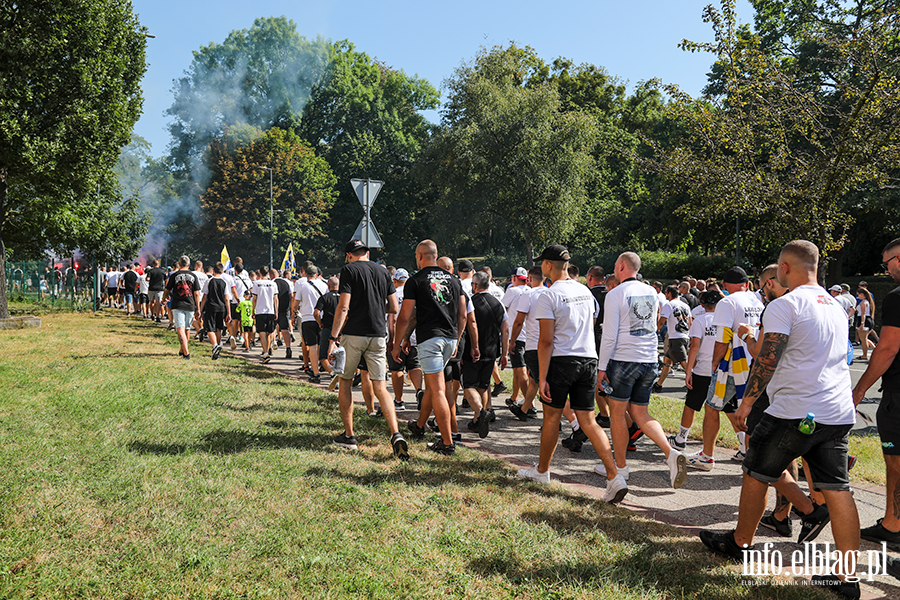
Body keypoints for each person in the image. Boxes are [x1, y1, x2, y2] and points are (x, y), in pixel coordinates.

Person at [700, 240, 860, 599]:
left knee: (756, 472)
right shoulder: (835, 305)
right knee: (837, 489)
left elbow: (767, 358)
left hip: (793, 410)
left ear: (784, 268)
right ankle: (847, 576)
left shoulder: (785, 304)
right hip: (835, 412)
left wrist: (746, 403)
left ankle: (740, 542)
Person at [516, 245, 627, 504]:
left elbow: (545, 342)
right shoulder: (585, 291)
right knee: (589, 420)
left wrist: (542, 377)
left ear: (547, 265)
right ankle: (614, 476)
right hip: (588, 358)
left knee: (552, 418)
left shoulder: (547, 295)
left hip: (561, 361)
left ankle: (542, 471)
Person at [596, 252, 687, 489]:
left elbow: (609, 336)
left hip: (623, 359)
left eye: (616, 265)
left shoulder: (615, 294)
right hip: (648, 359)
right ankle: (670, 453)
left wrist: (601, 367)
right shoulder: (652, 293)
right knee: (641, 413)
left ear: (622, 266)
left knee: (617, 414)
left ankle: (621, 467)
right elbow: (655, 322)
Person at [327, 240, 408, 460]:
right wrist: (374, 308)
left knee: (345, 381)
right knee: (380, 386)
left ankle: (349, 436)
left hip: (354, 333)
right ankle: (396, 433)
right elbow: (393, 307)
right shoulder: (383, 272)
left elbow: (343, 306)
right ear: (368, 253)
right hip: (378, 334)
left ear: (348, 255)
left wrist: (333, 337)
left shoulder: (348, 270)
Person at [395, 240, 474, 456]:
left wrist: (396, 344)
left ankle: (447, 443)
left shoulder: (415, 280)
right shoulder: (454, 280)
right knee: (433, 386)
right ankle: (420, 425)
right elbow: (462, 315)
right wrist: (457, 340)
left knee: (439, 389)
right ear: (435, 255)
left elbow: (405, 316)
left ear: (420, 256)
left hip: (430, 339)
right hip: (449, 339)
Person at [688, 266, 764, 470]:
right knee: (751, 411)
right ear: (746, 284)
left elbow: (722, 339)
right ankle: (750, 455)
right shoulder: (757, 301)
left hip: (732, 364)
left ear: (724, 285)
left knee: (712, 406)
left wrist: (714, 363)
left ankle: (707, 456)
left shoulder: (727, 302)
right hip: (754, 360)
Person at [854, 237, 900, 552]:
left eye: (888, 263)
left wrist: (858, 389)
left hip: (898, 396)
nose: (886, 270)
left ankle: (893, 524)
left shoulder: (897, 298)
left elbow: (886, 348)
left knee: (895, 461)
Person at [666, 290, 721, 452]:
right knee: (728, 409)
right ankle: (743, 445)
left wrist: (689, 371)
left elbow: (694, 347)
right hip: (719, 371)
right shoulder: (725, 321)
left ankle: (681, 438)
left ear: (701, 304)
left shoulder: (700, 320)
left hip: (702, 370)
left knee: (691, 405)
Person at [461, 271, 509, 439]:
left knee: (468, 387)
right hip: (492, 350)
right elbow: (505, 329)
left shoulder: (470, 302)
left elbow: (466, 325)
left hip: (472, 351)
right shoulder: (498, 303)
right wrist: (504, 353)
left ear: (475, 285)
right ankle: (477, 420)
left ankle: (481, 413)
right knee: (484, 385)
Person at [386, 268, 423, 410]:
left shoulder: (392, 295)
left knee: (397, 369)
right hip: (413, 336)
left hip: (398, 336)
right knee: (415, 366)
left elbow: (392, 318)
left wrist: (392, 339)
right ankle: (419, 390)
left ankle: (399, 400)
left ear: (394, 281)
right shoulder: (414, 295)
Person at [653, 285, 692, 392]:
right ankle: (658, 384)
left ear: (669, 293)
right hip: (685, 336)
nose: (665, 295)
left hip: (675, 338)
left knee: (685, 364)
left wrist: (655, 330)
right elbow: (690, 323)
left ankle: (696, 382)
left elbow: (662, 321)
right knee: (667, 362)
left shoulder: (668, 305)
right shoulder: (685, 306)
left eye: (666, 293)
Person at [501, 268, 530, 408]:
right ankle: (514, 397)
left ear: (513, 278)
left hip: (516, 335)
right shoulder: (530, 291)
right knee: (518, 369)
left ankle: (529, 405)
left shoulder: (512, 291)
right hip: (530, 335)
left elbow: (502, 310)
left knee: (520, 369)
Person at [162, 256, 201, 359]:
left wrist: (164, 299)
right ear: (189, 265)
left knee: (180, 329)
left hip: (178, 304)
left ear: (179, 264)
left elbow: (167, 290)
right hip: (190, 304)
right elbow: (196, 294)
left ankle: (186, 352)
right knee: (187, 329)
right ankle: (183, 350)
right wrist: (198, 308)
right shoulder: (193, 276)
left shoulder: (174, 275)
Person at [314, 276, 341, 378]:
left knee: (323, 356)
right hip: (342, 330)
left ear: (328, 286)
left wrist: (320, 322)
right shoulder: (344, 297)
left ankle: (333, 373)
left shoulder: (325, 297)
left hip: (328, 328)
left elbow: (316, 312)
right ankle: (356, 372)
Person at [273, 269, 295, 360]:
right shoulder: (288, 283)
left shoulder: (272, 282)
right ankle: (288, 348)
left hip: (273, 309)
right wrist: (291, 308)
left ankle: (269, 347)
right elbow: (292, 296)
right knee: (284, 329)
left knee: (272, 329)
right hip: (285, 308)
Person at [856, 287, 876, 361]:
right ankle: (875, 350)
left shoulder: (863, 302)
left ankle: (864, 355)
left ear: (861, 294)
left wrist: (862, 323)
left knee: (863, 339)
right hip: (868, 320)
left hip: (864, 320)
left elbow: (863, 313)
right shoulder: (868, 302)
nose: (858, 296)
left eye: (858, 294)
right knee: (865, 338)